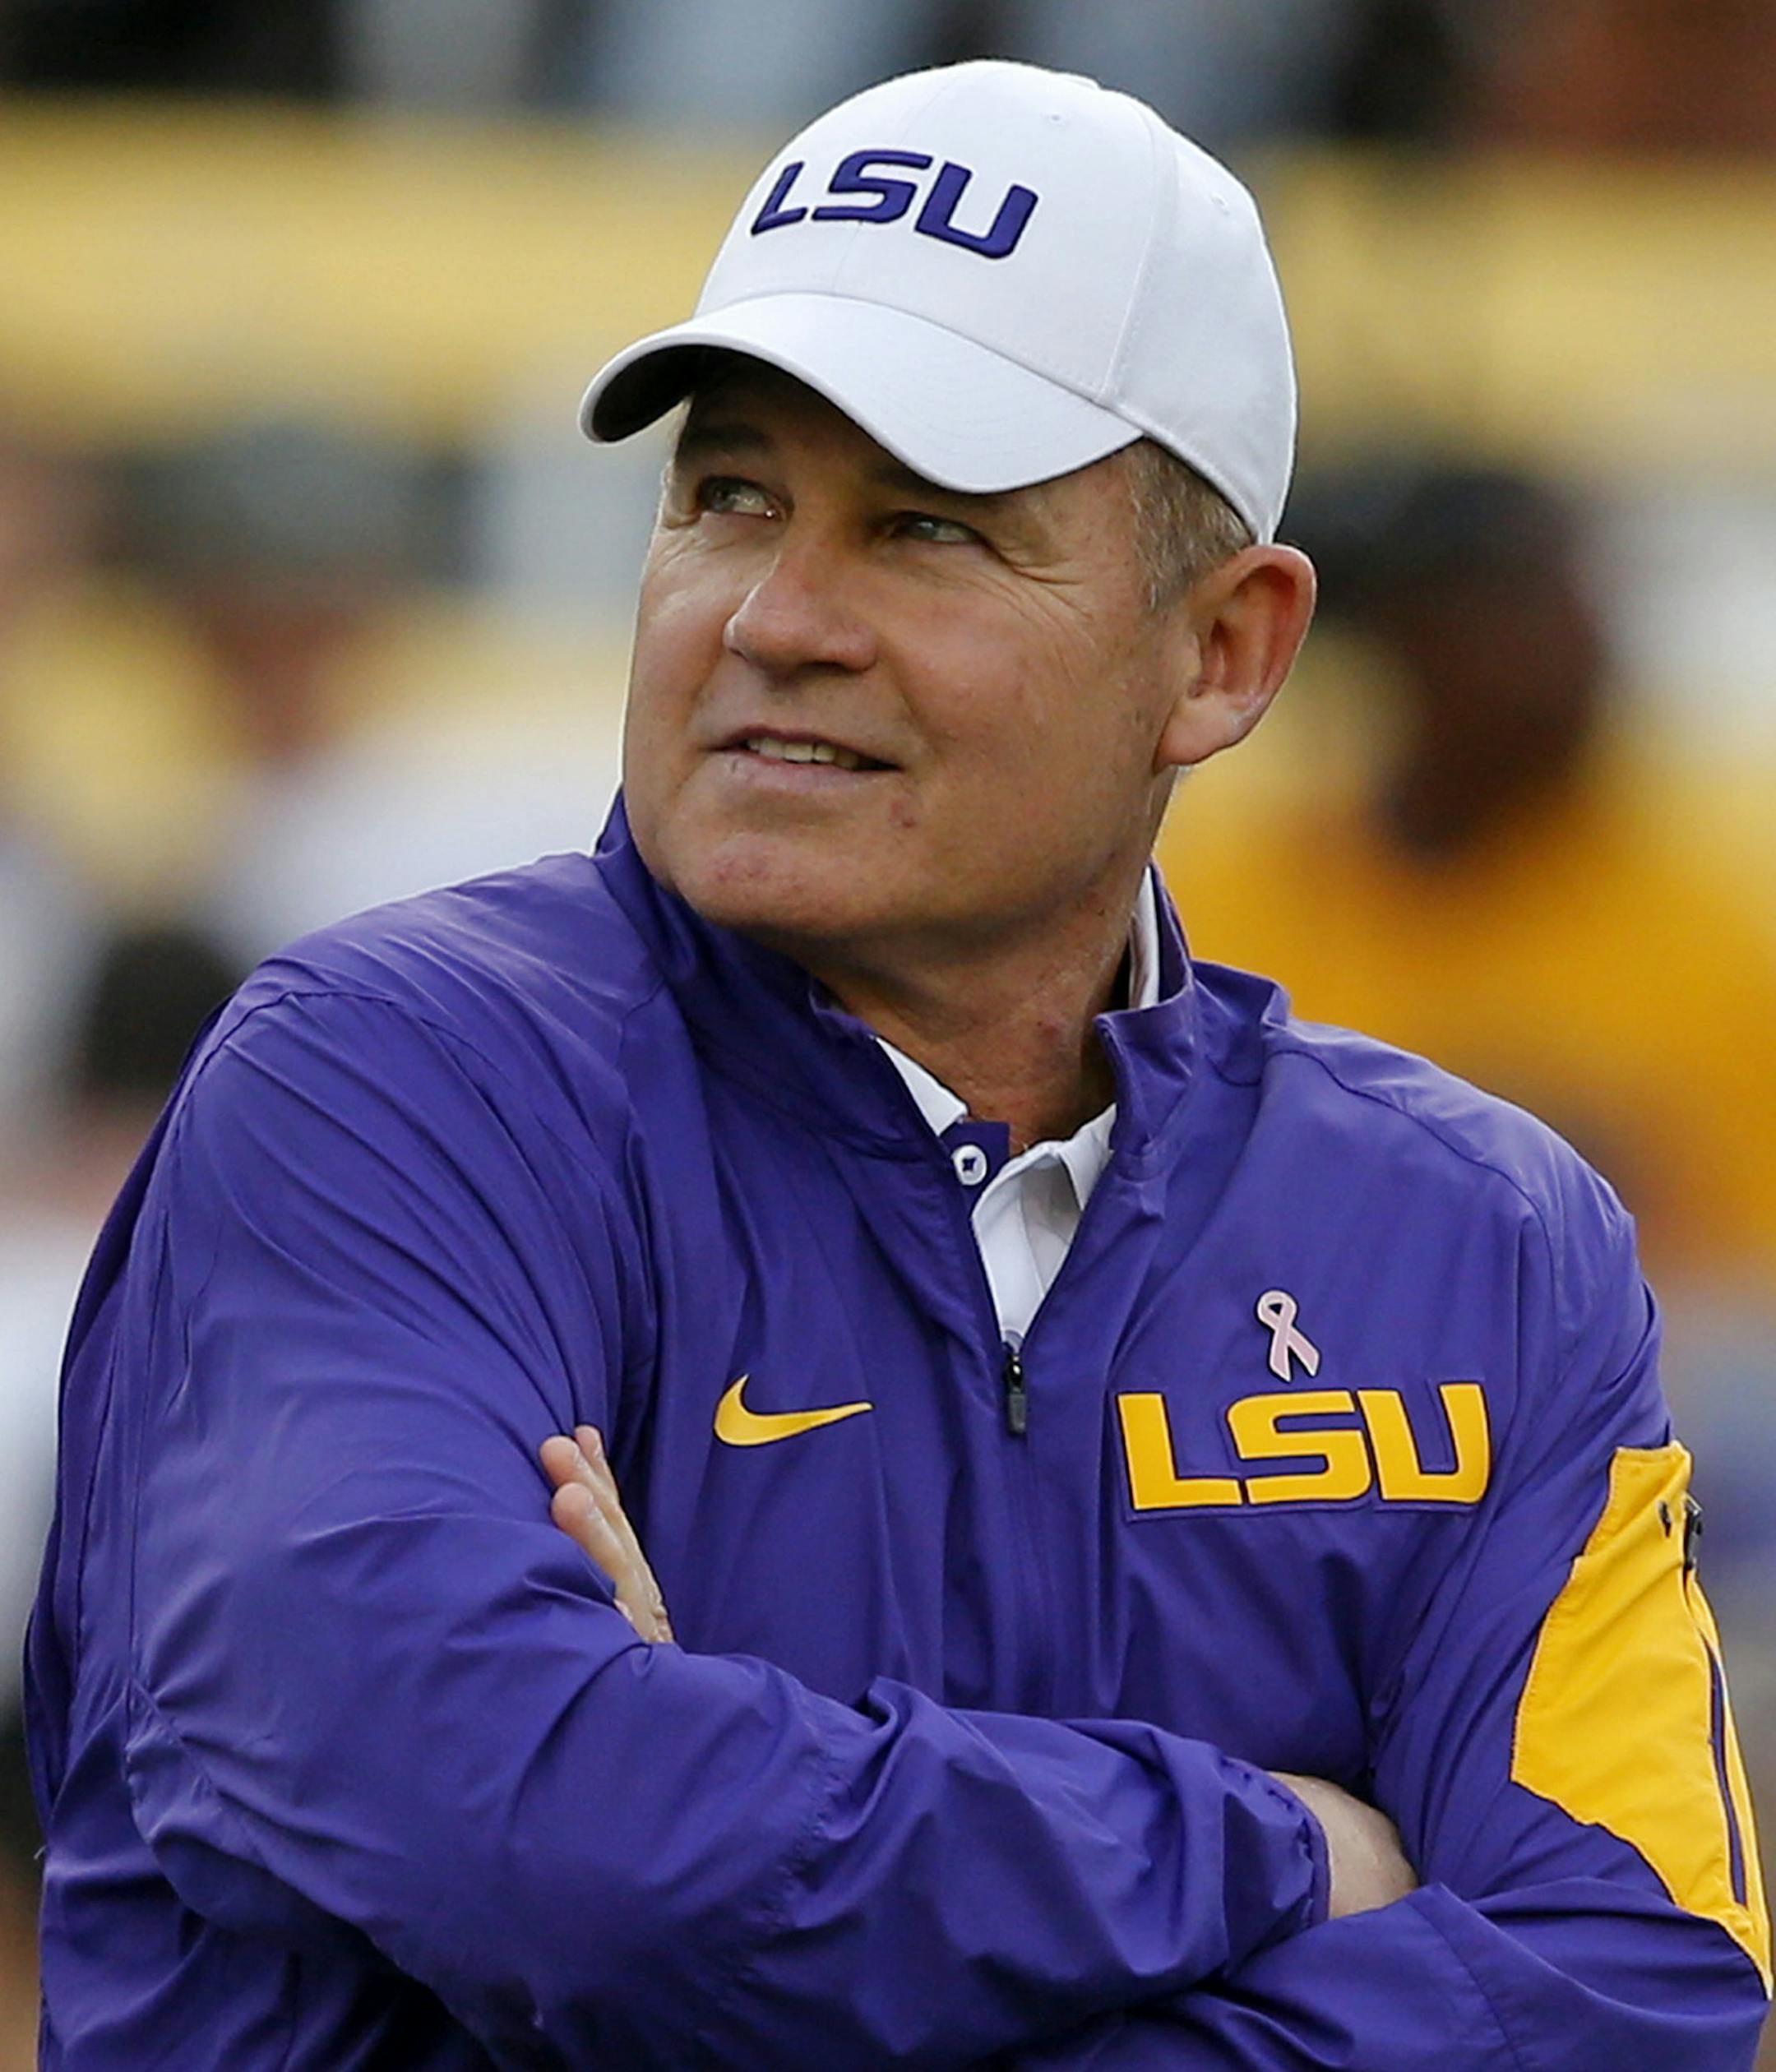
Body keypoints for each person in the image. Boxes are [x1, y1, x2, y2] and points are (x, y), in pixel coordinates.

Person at [26, 58, 1770, 2070]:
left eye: (926, 527)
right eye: (728, 494)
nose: (773, 616)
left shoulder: (1483, 1244)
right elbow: (509, 1818)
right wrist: (1272, 1847)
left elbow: (1636, 2000)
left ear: (1224, 654)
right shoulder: (387, 1093)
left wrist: (722, 1846)